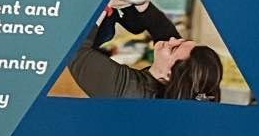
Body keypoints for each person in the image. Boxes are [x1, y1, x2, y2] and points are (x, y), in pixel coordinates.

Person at [68, 36, 223, 102]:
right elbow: (160, 27)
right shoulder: (173, 85)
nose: (171, 39)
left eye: (174, 47)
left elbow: (73, 49)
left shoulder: (124, 91)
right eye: (182, 40)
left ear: (169, 75)